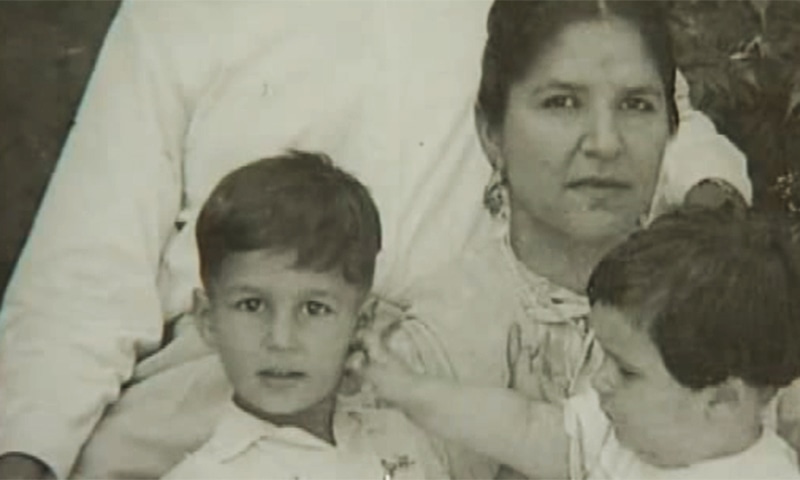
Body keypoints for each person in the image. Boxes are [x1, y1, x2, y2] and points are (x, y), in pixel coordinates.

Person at [0, 1, 754, 478]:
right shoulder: (177, 16)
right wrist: (28, 452)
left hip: (460, 364)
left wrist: (709, 210)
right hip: (236, 370)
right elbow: (85, 272)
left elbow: (647, 107)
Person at [370, 1, 796, 478]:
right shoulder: (430, 344)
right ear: (491, 132)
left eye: (636, 105)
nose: (605, 143)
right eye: (563, 102)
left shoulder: (735, 310)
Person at [358, 208, 800, 479]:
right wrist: (407, 388)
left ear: (721, 400)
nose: (601, 378)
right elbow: (522, 424)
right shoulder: (622, 434)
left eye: (627, 371)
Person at [157, 151, 445, 479]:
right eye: (252, 305)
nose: (281, 339)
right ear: (208, 319)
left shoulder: (397, 441)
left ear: (361, 323)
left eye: (314, 309)